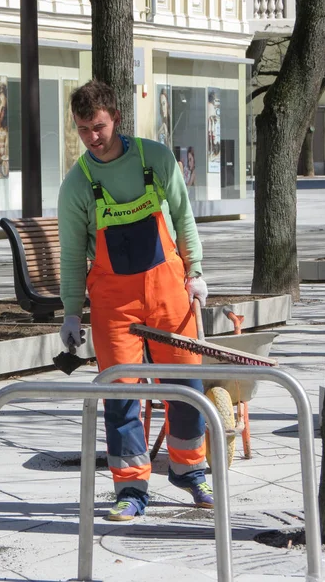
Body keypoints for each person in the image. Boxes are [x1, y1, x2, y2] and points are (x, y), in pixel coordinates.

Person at [58, 79, 213, 522]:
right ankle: (130, 488)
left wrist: (196, 272)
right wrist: (71, 312)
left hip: (168, 290)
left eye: (99, 126)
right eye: (83, 129)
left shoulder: (155, 159)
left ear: (117, 119)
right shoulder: (77, 185)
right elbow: (72, 255)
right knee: (121, 392)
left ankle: (190, 472)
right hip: (114, 301)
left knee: (185, 385)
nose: (92, 137)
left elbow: (183, 216)